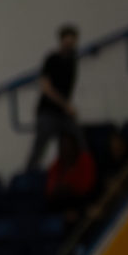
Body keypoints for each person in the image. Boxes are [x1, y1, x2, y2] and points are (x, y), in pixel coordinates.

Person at [25, 24, 80, 172]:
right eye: (67, 42)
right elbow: (46, 87)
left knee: (77, 140)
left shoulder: (72, 61)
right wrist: (65, 105)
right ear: (61, 41)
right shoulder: (52, 59)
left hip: (62, 112)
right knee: (40, 147)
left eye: (72, 42)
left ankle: (76, 173)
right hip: (48, 111)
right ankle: (29, 175)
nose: (69, 46)